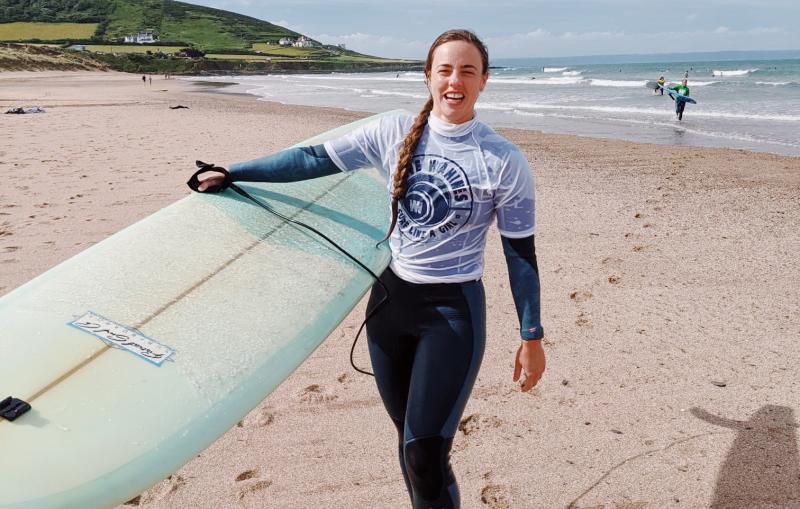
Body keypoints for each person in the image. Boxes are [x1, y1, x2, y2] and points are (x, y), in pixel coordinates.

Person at [192, 29, 546, 509]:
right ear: (428, 77)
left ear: (484, 81)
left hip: (453, 313)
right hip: (388, 303)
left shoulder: (503, 161)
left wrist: (531, 335)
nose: (454, 80)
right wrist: (235, 172)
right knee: (408, 441)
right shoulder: (392, 131)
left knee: (425, 451)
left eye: (467, 70)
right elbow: (315, 159)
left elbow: (519, 254)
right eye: (444, 69)